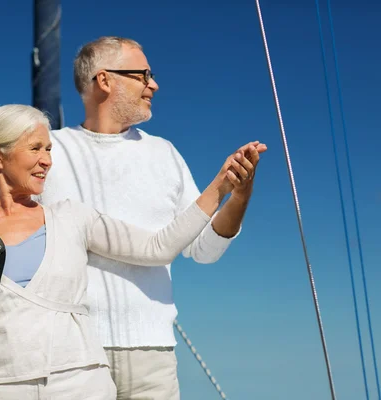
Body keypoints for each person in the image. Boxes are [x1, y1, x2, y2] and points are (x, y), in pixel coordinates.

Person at [0, 103, 263, 399]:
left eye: (50, 150)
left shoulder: (71, 217)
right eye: (36, 148)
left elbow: (160, 247)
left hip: (81, 384)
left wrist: (222, 188)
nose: (47, 161)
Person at [35, 36, 267, 399]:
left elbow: (204, 249)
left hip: (152, 357)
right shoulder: (49, 153)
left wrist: (239, 194)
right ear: (105, 80)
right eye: (143, 75)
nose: (153, 85)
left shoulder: (165, 154)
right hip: (69, 351)